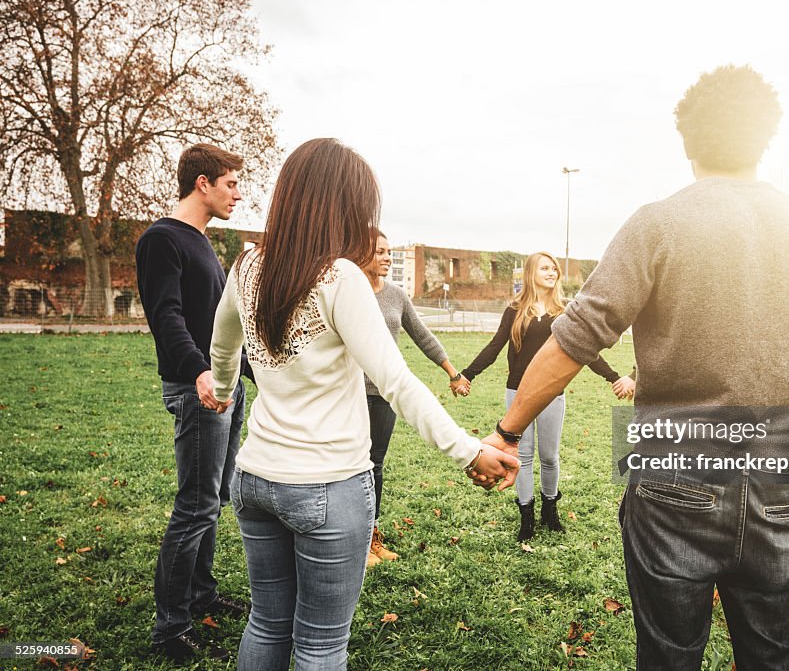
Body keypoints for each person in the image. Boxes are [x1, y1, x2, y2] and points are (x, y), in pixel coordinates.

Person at [474, 65, 789, 669]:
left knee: (669, 654)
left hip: (674, 478)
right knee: (773, 651)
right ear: (766, 137)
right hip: (779, 481)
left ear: (686, 142)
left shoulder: (657, 224)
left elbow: (573, 342)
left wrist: (505, 432)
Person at [209, 138, 519, 670]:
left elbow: (222, 347)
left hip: (255, 479)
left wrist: (219, 390)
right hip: (326, 486)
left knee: (266, 623)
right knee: (319, 646)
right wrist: (469, 451)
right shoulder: (340, 277)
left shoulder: (246, 266)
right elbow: (396, 381)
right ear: (344, 206)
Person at [136, 143, 251, 663]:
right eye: (230, 183)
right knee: (196, 505)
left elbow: (223, 327)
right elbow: (167, 317)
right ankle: (169, 628)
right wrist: (200, 372)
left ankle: (202, 594)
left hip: (225, 386)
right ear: (202, 183)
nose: (237, 193)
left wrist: (254, 376)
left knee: (216, 497)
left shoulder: (206, 244)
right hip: (196, 389)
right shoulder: (162, 240)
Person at [456, 251, 634, 542]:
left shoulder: (563, 311)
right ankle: (526, 514)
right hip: (517, 391)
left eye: (554, 269)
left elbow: (584, 351)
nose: (552, 273)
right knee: (522, 456)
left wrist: (613, 377)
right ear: (531, 273)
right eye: (545, 268)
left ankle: (550, 509)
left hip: (553, 394)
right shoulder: (514, 310)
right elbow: (494, 346)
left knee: (549, 456)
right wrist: (467, 374)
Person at [361, 228, 470, 567]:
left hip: (384, 393)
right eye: (378, 251)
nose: (386, 257)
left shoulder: (395, 295)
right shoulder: (349, 293)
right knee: (352, 466)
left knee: (374, 466)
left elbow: (422, 335)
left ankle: (369, 537)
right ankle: (351, 539)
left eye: (388, 251)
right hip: (349, 393)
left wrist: (452, 373)